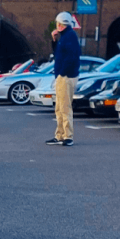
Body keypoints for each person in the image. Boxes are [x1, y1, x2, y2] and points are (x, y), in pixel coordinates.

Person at [46, 12, 81, 147]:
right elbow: (58, 55)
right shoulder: (65, 37)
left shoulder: (70, 36)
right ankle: (60, 135)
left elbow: (71, 57)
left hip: (66, 77)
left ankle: (68, 136)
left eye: (57, 23)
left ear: (60, 24)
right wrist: (54, 41)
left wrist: (62, 73)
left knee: (65, 107)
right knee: (59, 108)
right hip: (63, 76)